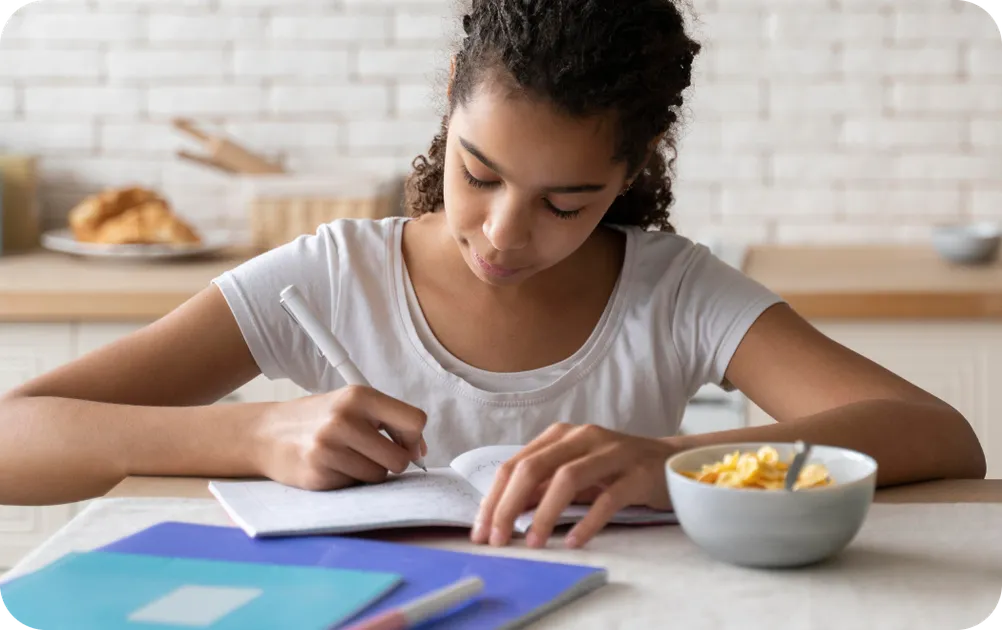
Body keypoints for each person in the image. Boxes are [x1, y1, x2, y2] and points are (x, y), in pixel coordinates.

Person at [0, 0, 985, 551]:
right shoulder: (330, 276)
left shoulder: (673, 290)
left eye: (567, 202)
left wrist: (675, 459)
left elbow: (941, 438)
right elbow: (14, 441)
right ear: (448, 106)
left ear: (631, 170)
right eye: (480, 173)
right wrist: (255, 431)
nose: (505, 235)